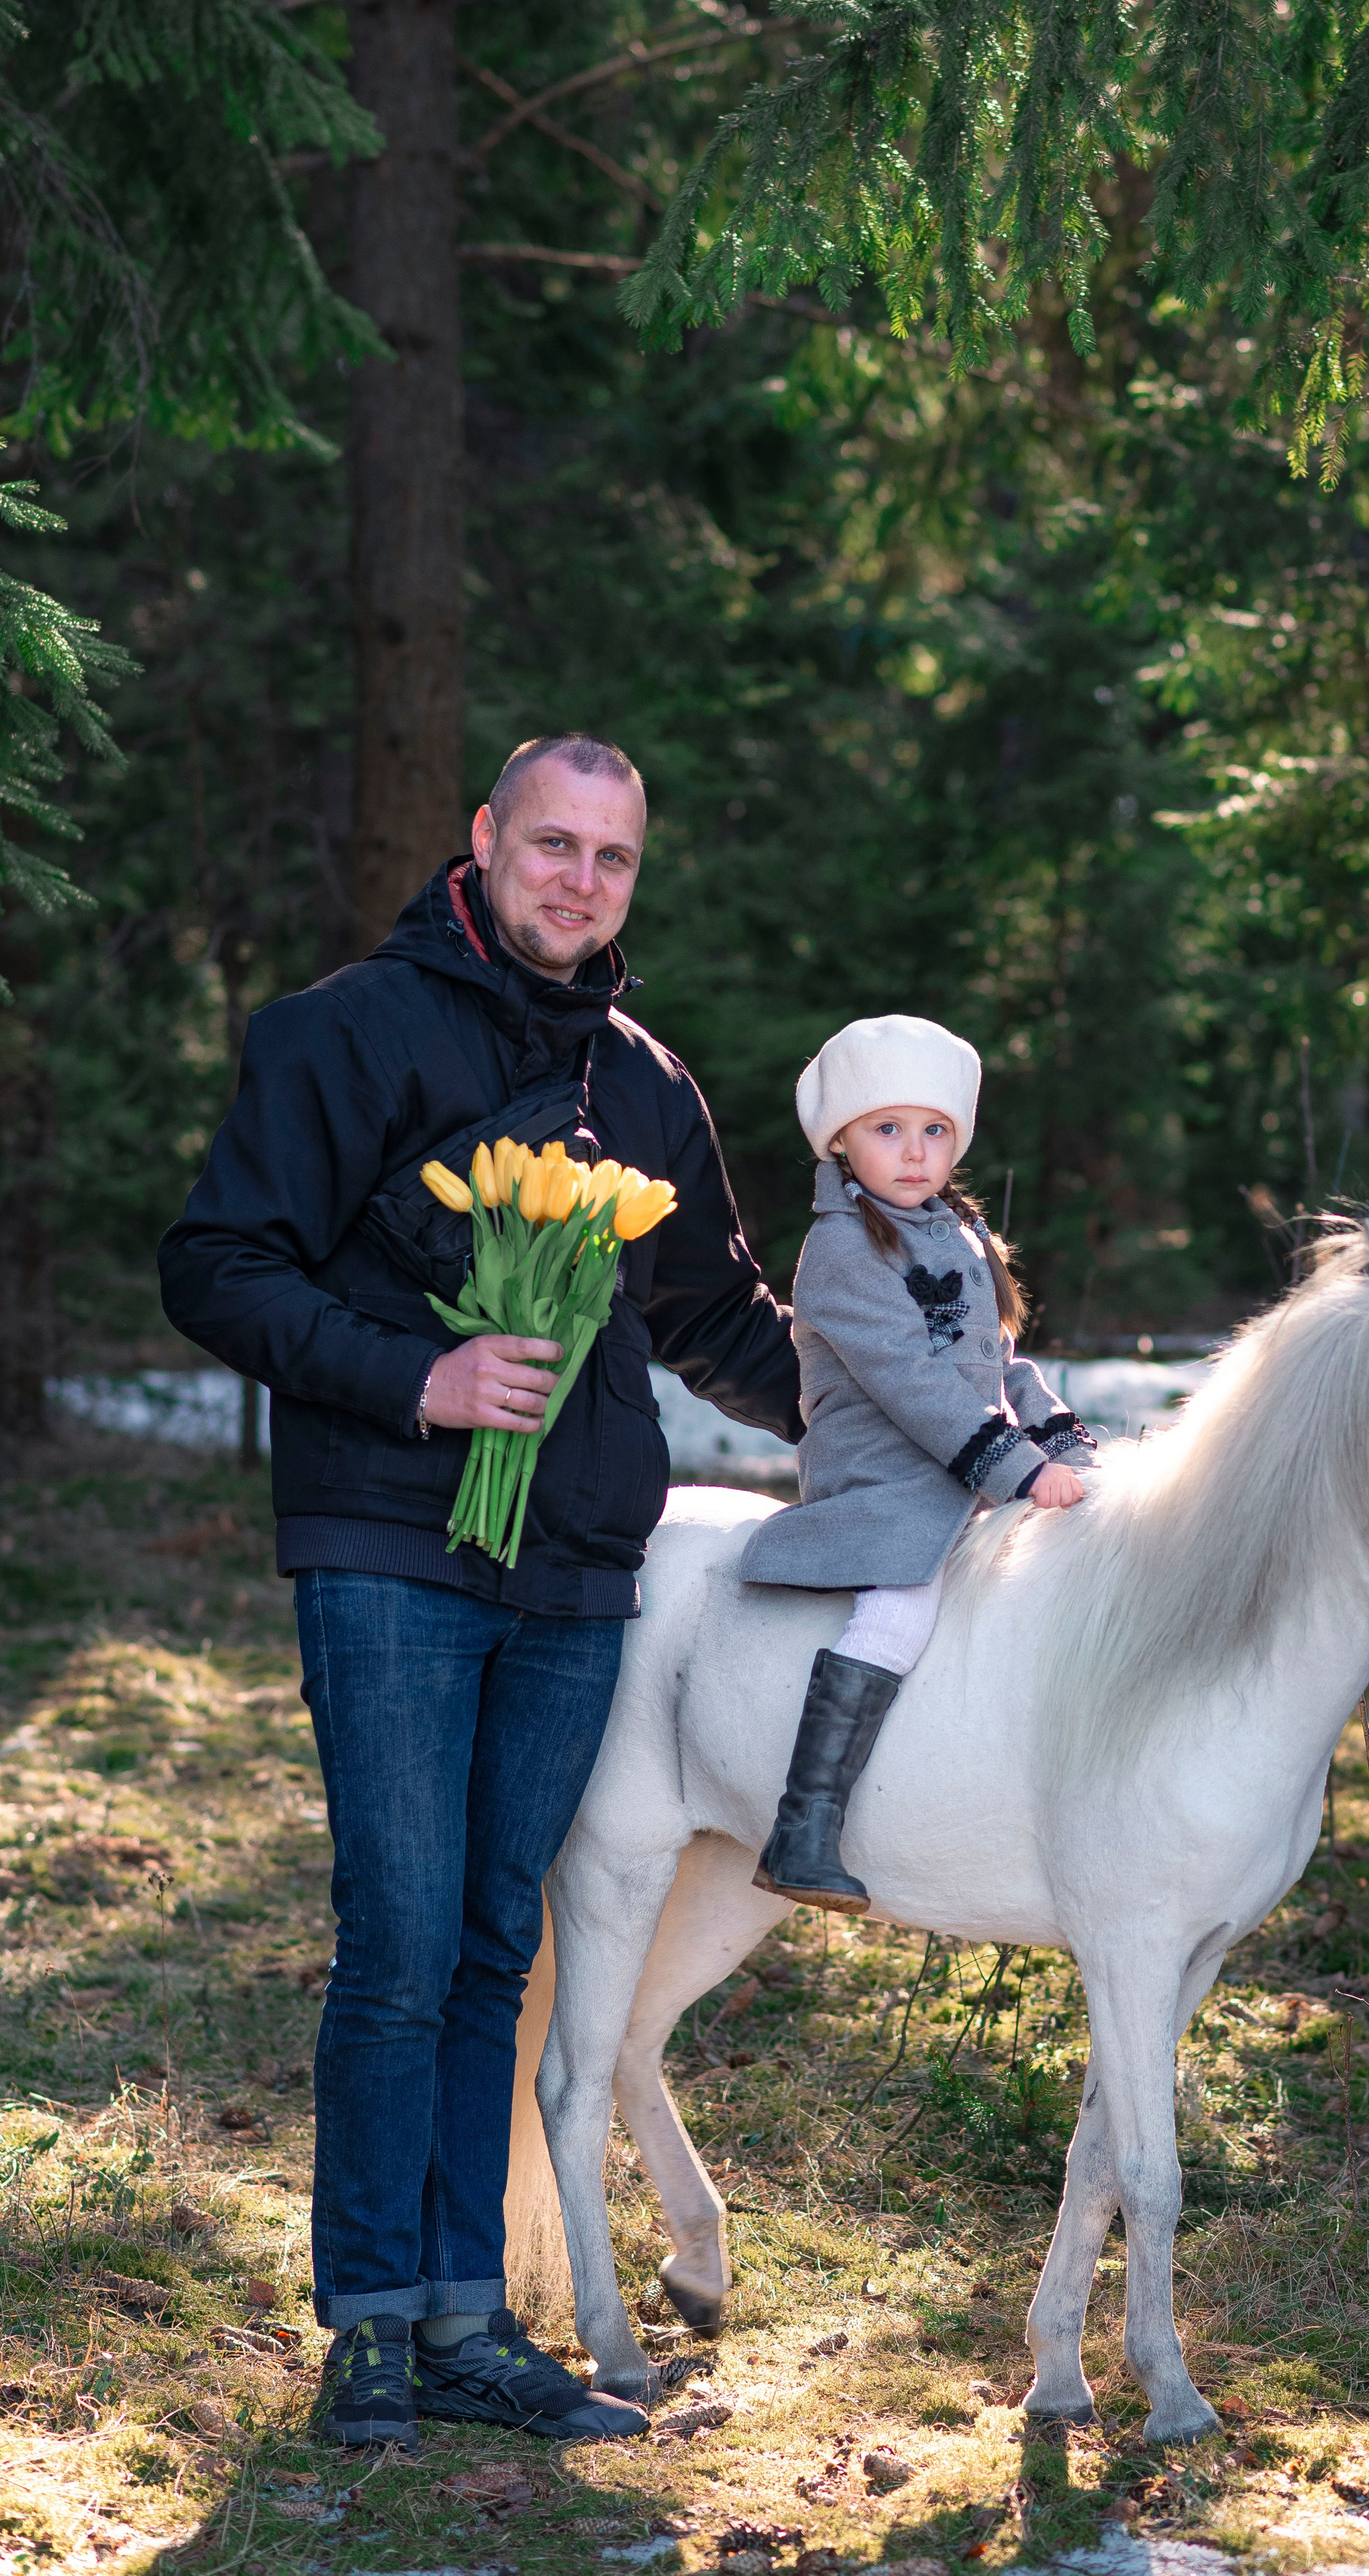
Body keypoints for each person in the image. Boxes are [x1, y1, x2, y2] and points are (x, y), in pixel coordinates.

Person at [158, 735, 803, 2452]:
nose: (578, 880)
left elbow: (723, 1318)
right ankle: (369, 2321)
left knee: (491, 1944)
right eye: (551, 845)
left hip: (577, 1569)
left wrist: (946, 1421)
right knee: (396, 1941)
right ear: (482, 842)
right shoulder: (348, 1029)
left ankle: (464, 2317)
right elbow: (214, 1263)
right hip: (389, 1549)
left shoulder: (647, 1080)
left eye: (611, 857)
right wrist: (413, 1380)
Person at [739, 1014, 1098, 1910]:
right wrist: (1016, 1468)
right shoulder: (842, 1250)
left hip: (965, 1465)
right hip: (886, 1478)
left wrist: (1064, 1441)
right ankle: (805, 1823)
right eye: (887, 1129)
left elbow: (1000, 1363)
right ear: (841, 1141)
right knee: (899, 1614)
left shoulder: (958, 1236)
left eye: (934, 1131)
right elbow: (915, 1384)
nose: (914, 1152)